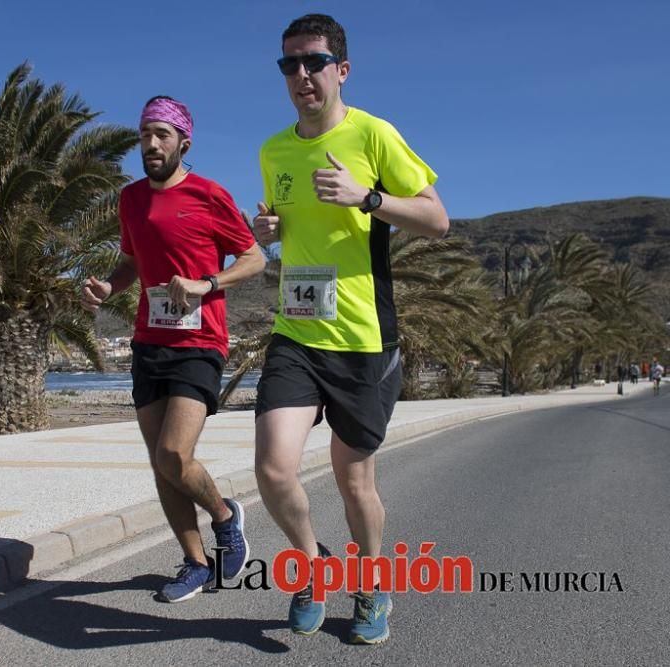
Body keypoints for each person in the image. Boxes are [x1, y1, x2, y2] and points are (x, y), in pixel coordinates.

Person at [252, 14, 449, 644]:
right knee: (274, 469)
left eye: (313, 62)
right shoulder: (273, 150)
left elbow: (437, 218)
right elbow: (288, 231)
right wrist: (270, 235)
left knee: (352, 478)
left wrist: (367, 197)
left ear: (342, 68)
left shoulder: (373, 134)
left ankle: (371, 583)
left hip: (363, 339)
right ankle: (313, 567)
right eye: (290, 65)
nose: (301, 75)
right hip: (296, 332)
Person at [82, 96, 265, 602]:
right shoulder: (131, 198)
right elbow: (132, 263)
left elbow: (254, 259)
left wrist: (208, 282)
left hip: (199, 341)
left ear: (184, 142)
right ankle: (194, 562)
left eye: (162, 135)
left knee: (173, 452)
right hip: (149, 341)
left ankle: (225, 517)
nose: (152, 144)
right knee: (158, 460)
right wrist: (108, 289)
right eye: (145, 136)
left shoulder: (209, 194)